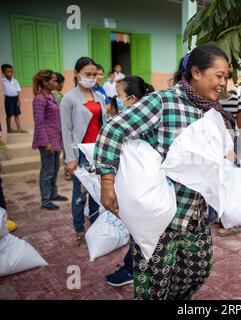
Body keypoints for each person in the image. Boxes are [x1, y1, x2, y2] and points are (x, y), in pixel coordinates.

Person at [94, 44, 234, 300]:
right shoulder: (163, 101)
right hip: (162, 217)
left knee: (198, 270)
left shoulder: (212, 111)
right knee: (154, 287)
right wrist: (107, 182)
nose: (223, 83)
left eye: (226, 77)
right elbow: (114, 130)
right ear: (196, 72)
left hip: (196, 214)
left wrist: (226, 154)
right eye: (219, 75)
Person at [104, 75, 155, 287]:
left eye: (119, 96)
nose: (115, 100)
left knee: (141, 231)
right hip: (141, 185)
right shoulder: (138, 118)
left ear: (132, 99)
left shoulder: (136, 123)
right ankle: (132, 266)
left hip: (144, 186)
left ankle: (131, 269)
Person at [60, 57, 107, 248]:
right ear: (77, 74)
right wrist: (70, 158)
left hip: (97, 151)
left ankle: (95, 228)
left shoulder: (100, 97)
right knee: (80, 195)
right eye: (87, 74)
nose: (92, 78)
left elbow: (103, 123)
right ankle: (79, 231)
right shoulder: (69, 98)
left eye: (94, 74)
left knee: (96, 192)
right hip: (80, 153)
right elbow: (66, 129)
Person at [32, 70, 68, 210]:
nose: (56, 83)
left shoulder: (51, 96)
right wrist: (45, 142)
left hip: (55, 139)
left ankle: (53, 193)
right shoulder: (40, 99)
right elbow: (38, 122)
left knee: (54, 169)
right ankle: (45, 200)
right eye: (53, 80)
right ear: (45, 82)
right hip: (47, 141)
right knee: (46, 171)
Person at [217, 79, 241, 237]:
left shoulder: (212, 100)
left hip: (224, 145)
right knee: (226, 183)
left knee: (223, 182)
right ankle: (224, 223)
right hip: (223, 145)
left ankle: (222, 219)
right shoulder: (234, 100)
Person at [1, 64, 26, 133]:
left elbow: (18, 90)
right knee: (9, 115)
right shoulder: (2, 81)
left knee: (17, 114)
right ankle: (9, 128)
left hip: (15, 98)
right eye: (8, 72)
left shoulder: (15, 80)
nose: (10, 73)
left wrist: (19, 100)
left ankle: (19, 128)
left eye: (11, 72)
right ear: (3, 72)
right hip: (8, 99)